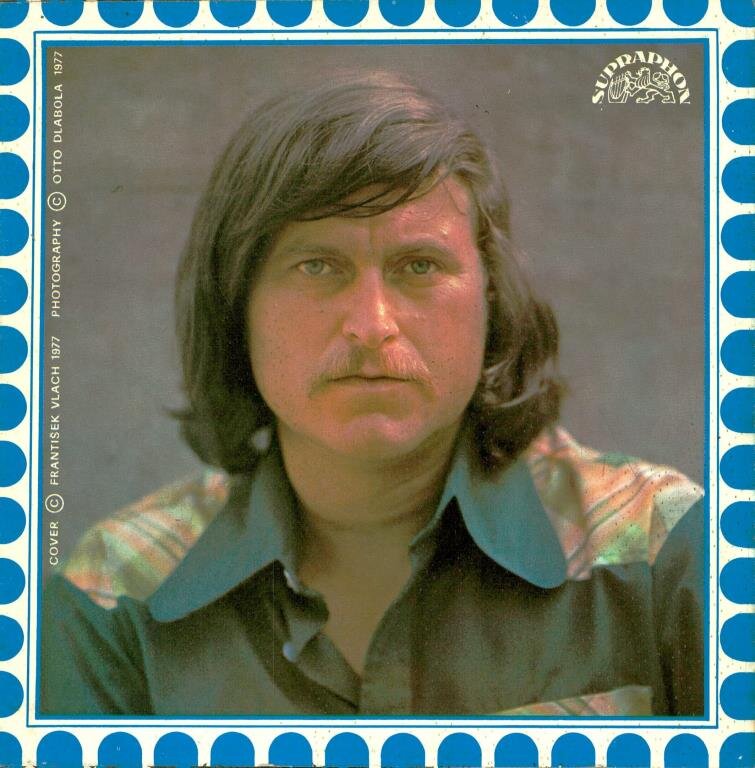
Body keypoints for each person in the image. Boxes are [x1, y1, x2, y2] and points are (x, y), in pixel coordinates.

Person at [41, 72, 704, 717]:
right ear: (236, 305)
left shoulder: (661, 549)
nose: (372, 324)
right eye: (317, 266)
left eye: (419, 266)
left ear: (491, 298)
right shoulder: (115, 594)